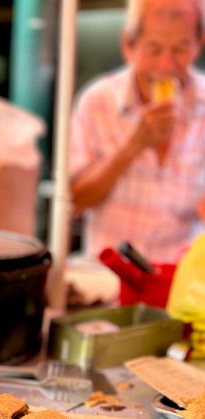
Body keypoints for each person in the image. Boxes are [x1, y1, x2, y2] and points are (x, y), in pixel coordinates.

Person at [70, 0, 205, 265]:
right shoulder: (97, 101)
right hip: (109, 273)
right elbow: (77, 200)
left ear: (198, 44)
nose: (167, 66)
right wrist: (134, 144)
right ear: (128, 46)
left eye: (181, 48)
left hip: (182, 276)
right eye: (154, 49)